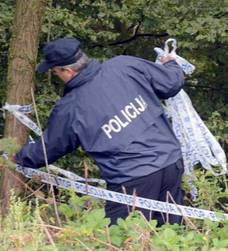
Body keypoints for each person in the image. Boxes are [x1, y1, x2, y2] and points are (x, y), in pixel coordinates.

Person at [14, 37, 186, 226]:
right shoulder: (124, 65)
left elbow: (48, 150)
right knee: (169, 232)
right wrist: (171, 64)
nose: (57, 77)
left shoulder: (71, 107)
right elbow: (171, 82)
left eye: (55, 73)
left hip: (132, 179)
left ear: (67, 71)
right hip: (171, 162)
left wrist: (18, 158)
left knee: (126, 243)